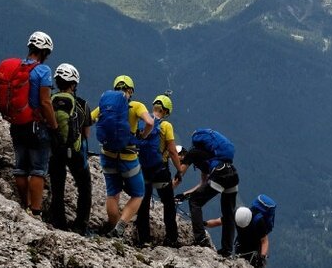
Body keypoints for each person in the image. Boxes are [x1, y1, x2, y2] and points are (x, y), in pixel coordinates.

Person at [0, 32, 56, 214]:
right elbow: (45, 102)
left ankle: (25, 205)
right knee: (38, 170)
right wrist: (54, 126)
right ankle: (35, 211)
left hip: (17, 123)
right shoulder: (43, 71)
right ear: (44, 52)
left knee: (20, 167)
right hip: (36, 126)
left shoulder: (16, 67)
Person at [90, 75, 151, 237]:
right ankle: (121, 226)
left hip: (107, 156)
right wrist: (143, 135)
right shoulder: (136, 106)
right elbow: (150, 122)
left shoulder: (106, 105)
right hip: (128, 158)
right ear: (131, 90)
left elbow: (88, 119)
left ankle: (113, 228)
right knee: (138, 193)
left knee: (112, 194)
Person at [180, 128, 239, 254]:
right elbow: (203, 184)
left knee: (195, 202)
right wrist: (185, 194)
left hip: (220, 174)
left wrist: (168, 193)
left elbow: (178, 176)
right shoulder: (212, 155)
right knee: (228, 213)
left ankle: (200, 238)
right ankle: (227, 250)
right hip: (232, 173)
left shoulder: (193, 153)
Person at [46, 64, 90, 233]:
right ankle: (80, 225)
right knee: (84, 187)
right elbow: (86, 133)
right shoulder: (82, 104)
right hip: (75, 152)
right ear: (74, 84)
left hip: (55, 150)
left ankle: (59, 222)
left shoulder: (50, 100)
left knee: (57, 187)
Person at [133, 93, 181, 247]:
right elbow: (172, 151)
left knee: (144, 204)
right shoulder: (166, 126)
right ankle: (171, 238)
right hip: (161, 170)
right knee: (168, 204)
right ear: (166, 111)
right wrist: (179, 170)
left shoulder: (143, 121)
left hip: (143, 169)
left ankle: (144, 239)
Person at [212, 197, 274, 268]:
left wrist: (262, 257)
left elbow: (264, 241)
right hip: (242, 246)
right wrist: (203, 224)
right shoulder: (237, 214)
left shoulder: (258, 221)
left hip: (255, 250)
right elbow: (219, 221)